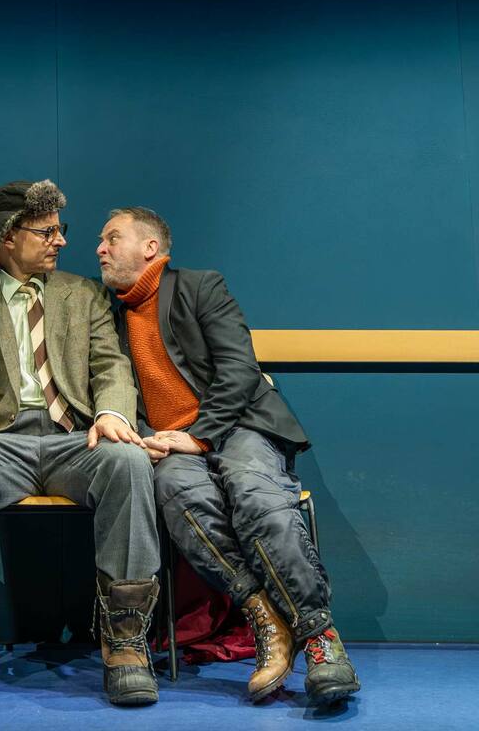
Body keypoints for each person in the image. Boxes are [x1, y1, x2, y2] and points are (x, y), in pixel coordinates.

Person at [0, 180, 161, 710]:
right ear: (7, 237)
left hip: (75, 437)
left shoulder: (84, 295)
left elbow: (111, 366)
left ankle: (126, 644)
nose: (60, 241)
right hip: (1, 440)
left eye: (59, 229)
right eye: (46, 232)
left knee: (128, 460)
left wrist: (112, 412)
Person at [97, 207, 361, 707]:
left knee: (255, 495)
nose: (100, 249)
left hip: (237, 425)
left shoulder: (199, 287)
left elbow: (239, 369)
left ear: (150, 247)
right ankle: (266, 616)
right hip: (168, 442)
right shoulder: (106, 315)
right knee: (178, 494)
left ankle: (320, 638)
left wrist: (199, 435)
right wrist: (149, 437)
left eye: (112, 238)